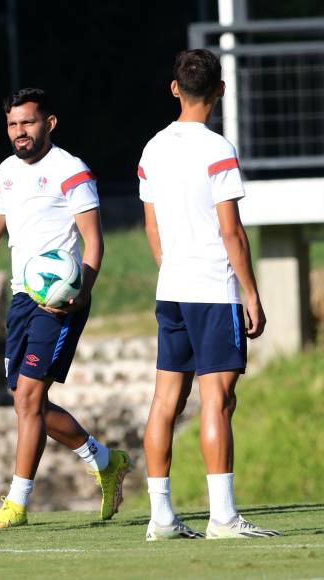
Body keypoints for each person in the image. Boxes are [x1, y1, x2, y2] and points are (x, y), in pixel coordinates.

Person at [0, 88, 132, 529]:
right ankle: (104, 460)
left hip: (58, 303)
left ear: (48, 123)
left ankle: (17, 503)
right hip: (20, 298)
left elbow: (93, 241)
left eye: (27, 123)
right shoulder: (5, 173)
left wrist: (80, 292)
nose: (19, 132)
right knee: (25, 401)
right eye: (12, 125)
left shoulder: (71, 171)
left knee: (28, 397)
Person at [138, 49, 282, 540]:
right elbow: (232, 232)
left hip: (172, 288)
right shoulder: (218, 148)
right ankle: (222, 517)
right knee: (216, 400)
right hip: (213, 291)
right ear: (219, 91)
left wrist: (171, 267)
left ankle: (161, 517)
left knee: (164, 402)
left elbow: (151, 225)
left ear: (174, 88)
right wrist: (252, 293)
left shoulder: (153, 148)